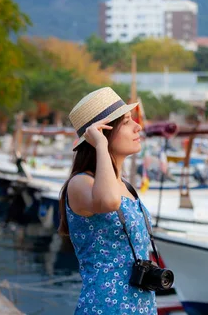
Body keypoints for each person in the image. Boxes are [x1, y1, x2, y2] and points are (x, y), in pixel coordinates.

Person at [58, 87, 157, 314]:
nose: (137, 127)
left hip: (142, 308)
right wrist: (101, 146)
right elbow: (109, 202)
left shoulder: (126, 187)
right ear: (102, 132)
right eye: (126, 122)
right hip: (104, 308)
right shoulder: (81, 184)